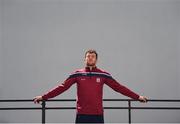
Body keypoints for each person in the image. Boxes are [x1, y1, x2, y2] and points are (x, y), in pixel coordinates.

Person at [33, 49, 148, 123]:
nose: (90, 58)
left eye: (93, 56)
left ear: (96, 59)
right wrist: (43, 97)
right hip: (82, 114)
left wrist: (137, 97)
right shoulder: (77, 74)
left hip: (97, 114)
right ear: (84, 59)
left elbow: (119, 87)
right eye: (88, 56)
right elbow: (62, 87)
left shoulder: (103, 74)